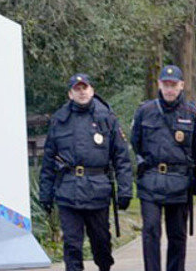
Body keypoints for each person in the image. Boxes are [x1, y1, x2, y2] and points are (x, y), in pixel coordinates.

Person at [39, 73, 133, 271]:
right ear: (70, 94)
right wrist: (45, 193)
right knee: (72, 246)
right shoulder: (59, 119)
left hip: (97, 190)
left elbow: (121, 158)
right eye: (77, 89)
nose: (82, 92)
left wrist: (125, 190)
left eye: (85, 88)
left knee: (101, 244)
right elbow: (48, 160)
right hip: (68, 191)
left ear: (92, 90)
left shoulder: (106, 117)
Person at [130, 65, 196, 271]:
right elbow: (135, 142)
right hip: (151, 180)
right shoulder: (145, 111)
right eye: (166, 84)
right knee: (151, 231)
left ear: (182, 85)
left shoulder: (193, 113)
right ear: (159, 85)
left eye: (174, 85)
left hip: (180, 181)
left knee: (177, 235)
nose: (169, 89)